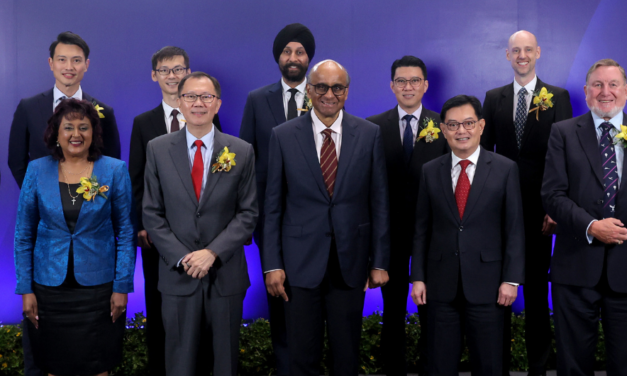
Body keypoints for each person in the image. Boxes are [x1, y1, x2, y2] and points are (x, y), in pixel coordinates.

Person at [263, 59, 390, 376]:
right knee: (301, 356)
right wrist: (273, 264)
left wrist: (379, 261)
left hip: (351, 263)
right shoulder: (282, 135)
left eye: (337, 87)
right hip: (299, 264)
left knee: (346, 357)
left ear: (346, 91)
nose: (329, 94)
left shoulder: (369, 133)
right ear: (309, 90)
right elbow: (273, 205)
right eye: (321, 86)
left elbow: (379, 202)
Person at [143, 71, 258, 376]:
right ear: (179, 102)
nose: (198, 103)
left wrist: (212, 252)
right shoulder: (157, 149)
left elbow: (248, 213)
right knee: (179, 364)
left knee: (225, 364)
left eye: (206, 97)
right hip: (177, 277)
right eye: (191, 96)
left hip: (226, 276)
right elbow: (152, 213)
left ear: (217, 104)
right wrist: (183, 256)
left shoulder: (241, 151)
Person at [14, 98, 136, 376]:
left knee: (98, 365)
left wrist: (122, 287)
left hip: (99, 289)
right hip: (48, 289)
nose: (76, 134)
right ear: (56, 133)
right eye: (68, 127)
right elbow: (23, 235)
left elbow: (126, 234)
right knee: (54, 366)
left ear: (94, 133)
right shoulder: (37, 170)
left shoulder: (114, 170)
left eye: (84, 127)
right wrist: (25, 288)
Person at [411, 95, 525, 375]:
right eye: (453, 125)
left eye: (468, 123)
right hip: (440, 285)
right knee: (440, 364)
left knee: (489, 365)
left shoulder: (505, 168)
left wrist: (511, 280)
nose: (461, 130)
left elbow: (514, 229)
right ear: (443, 129)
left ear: (481, 125)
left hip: (490, 287)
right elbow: (422, 229)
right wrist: (418, 277)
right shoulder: (429, 171)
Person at [481, 30, 572, 375]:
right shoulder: (493, 98)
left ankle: (538, 367)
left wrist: (555, 207)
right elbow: (482, 155)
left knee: (536, 292)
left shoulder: (558, 97)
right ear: (507, 55)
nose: (522, 55)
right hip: (498, 211)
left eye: (527, 50)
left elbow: (566, 157)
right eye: (515, 50)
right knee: (497, 292)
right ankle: (496, 366)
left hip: (541, 211)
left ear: (538, 53)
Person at [128, 46, 222, 376]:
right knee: (160, 309)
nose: (172, 76)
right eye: (165, 70)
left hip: (202, 238)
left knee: (205, 310)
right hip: (158, 237)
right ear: (155, 75)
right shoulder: (144, 123)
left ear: (187, 73)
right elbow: (135, 179)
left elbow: (216, 177)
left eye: (178, 69)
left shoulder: (206, 113)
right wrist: (143, 226)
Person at [542, 58, 627, 376]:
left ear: (625, 90)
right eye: (598, 85)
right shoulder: (562, 133)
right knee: (573, 366)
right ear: (587, 92)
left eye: (613, 84)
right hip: (575, 269)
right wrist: (593, 226)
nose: (606, 92)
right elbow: (552, 195)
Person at [239, 23, 315, 374]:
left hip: (313, 220)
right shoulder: (258, 99)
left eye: (299, 51)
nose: (293, 58)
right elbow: (245, 160)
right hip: (271, 218)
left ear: (309, 57)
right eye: (287, 51)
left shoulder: (323, 97)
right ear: (278, 58)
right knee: (278, 297)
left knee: (311, 301)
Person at [366, 55, 448, 376]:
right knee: (393, 311)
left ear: (425, 85)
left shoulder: (443, 125)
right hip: (390, 235)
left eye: (415, 81)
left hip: (432, 236)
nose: (408, 87)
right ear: (391, 86)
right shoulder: (373, 126)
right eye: (402, 81)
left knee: (432, 312)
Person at [9, 31, 121, 189]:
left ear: (86, 65)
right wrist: (35, 195)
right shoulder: (28, 108)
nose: (69, 67)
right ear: (51, 63)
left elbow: (111, 164)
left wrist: (94, 199)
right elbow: (16, 161)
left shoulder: (104, 112)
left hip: (90, 206)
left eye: (76, 60)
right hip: (42, 205)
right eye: (62, 60)